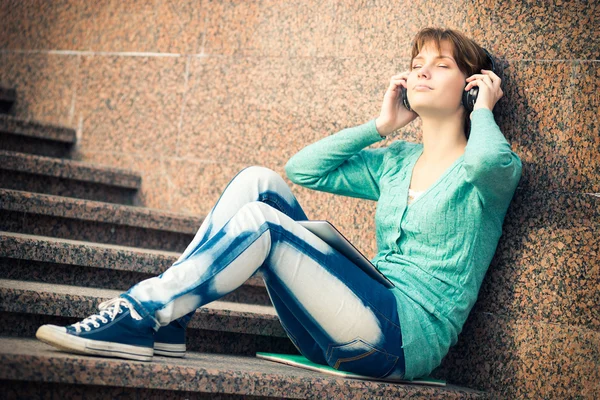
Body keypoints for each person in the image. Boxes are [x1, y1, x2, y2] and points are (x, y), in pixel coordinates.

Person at [36, 27, 522, 381]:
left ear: (473, 84)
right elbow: (305, 169)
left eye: (441, 65)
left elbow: (483, 164)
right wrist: (380, 126)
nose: (422, 71)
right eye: (417, 64)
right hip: (338, 322)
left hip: (396, 342)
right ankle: (172, 322)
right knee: (259, 181)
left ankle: (139, 314)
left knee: (265, 224)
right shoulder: (395, 162)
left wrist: (483, 112)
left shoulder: (495, 169)